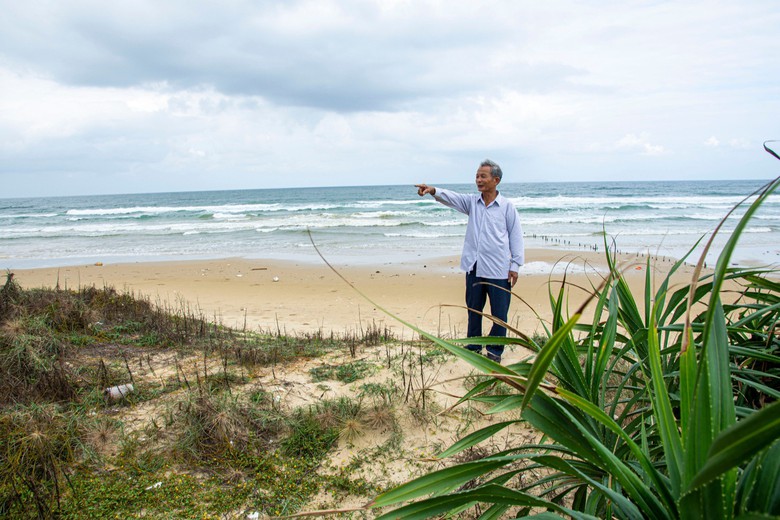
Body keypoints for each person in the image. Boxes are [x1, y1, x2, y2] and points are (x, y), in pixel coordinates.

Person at [415, 159, 524, 364]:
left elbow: (516, 236)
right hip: (474, 267)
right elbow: (452, 198)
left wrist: (515, 266)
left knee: (499, 314)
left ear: (496, 180)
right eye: (477, 176)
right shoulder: (473, 203)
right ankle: (474, 345)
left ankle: (495, 349)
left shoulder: (507, 207)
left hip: (499, 269)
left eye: (483, 176)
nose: (478, 180)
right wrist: (432, 190)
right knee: (474, 309)